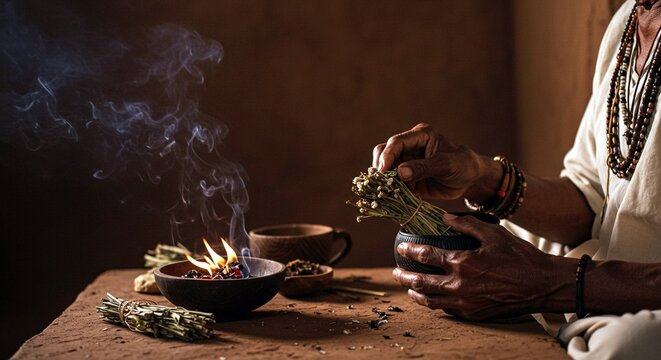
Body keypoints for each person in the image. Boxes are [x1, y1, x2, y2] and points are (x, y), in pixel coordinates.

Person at [372, 0, 661, 358]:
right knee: (498, 248)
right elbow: (595, 203)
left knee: (627, 345)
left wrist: (551, 282)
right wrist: (482, 177)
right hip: (601, 278)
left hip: (637, 301)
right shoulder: (630, 18)